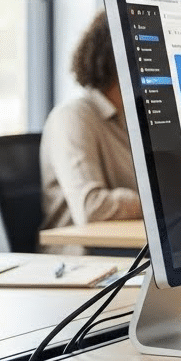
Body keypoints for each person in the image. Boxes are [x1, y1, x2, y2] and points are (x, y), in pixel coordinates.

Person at [39, 12, 141, 232]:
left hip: (128, 247)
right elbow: (91, 207)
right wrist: (158, 203)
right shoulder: (73, 117)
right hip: (82, 256)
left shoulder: (130, 118)